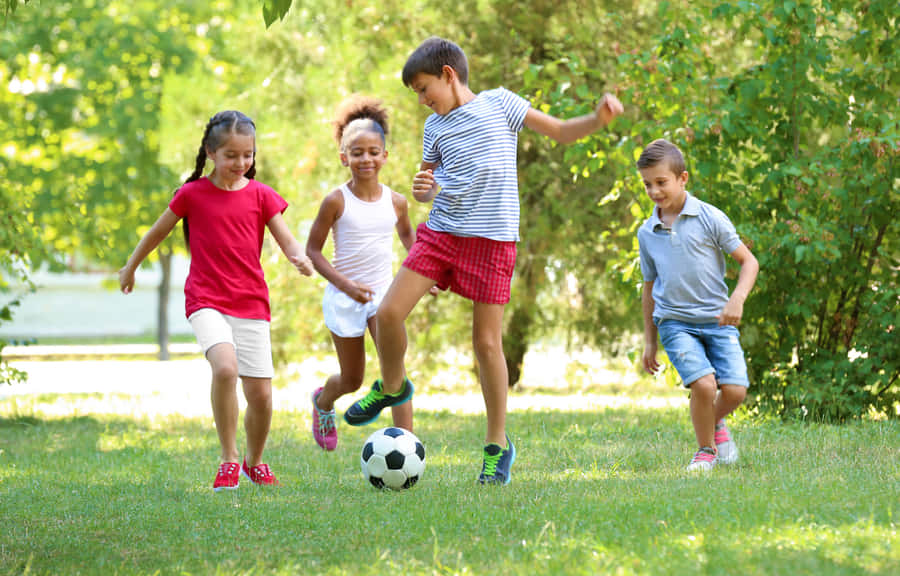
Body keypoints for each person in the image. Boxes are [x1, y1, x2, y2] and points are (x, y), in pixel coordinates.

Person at [343, 36, 624, 485]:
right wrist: (423, 191)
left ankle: (497, 446)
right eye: (416, 93)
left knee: (487, 345)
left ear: (448, 75)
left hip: (493, 241)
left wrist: (596, 119)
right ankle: (391, 386)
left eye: (423, 88)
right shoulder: (434, 128)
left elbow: (559, 131)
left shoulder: (501, 104)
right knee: (389, 313)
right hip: (442, 233)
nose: (421, 100)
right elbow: (431, 183)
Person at [118, 110, 314, 491]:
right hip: (206, 298)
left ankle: (253, 461)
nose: (241, 164)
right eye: (231, 156)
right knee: (225, 368)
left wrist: (298, 257)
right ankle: (227, 459)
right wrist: (130, 267)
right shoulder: (191, 194)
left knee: (260, 396)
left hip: (251, 301)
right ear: (210, 152)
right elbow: (156, 233)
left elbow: (285, 237)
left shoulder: (261, 195)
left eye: (248, 155)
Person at [636, 138, 759, 472]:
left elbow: (749, 263)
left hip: (718, 319)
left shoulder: (709, 217)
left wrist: (737, 300)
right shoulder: (646, 232)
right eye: (648, 184)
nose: (654, 190)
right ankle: (705, 450)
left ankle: (714, 423)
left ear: (683, 178)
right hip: (674, 322)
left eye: (661, 182)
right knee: (704, 385)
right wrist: (650, 340)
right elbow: (649, 288)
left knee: (735, 391)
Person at [305, 96, 419, 451]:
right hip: (344, 296)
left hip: (384, 297)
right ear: (344, 157)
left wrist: (422, 275)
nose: (365, 159)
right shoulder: (336, 201)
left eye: (373, 151)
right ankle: (323, 402)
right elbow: (313, 251)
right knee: (353, 379)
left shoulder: (397, 202)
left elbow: (408, 239)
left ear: (385, 155)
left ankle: (408, 443)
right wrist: (346, 285)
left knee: (394, 369)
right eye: (357, 152)